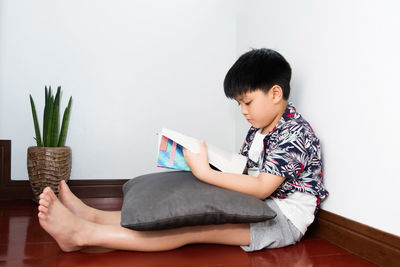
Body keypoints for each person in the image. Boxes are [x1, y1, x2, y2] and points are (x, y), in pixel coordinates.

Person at [37, 48, 328, 252]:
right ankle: (94, 216)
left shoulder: (295, 132)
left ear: (275, 94)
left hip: (281, 221)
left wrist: (206, 173)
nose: (242, 111)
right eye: (238, 104)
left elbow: (263, 187)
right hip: (259, 207)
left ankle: (83, 235)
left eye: (247, 103)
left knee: (189, 228)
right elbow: (245, 170)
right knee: (185, 202)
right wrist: (209, 163)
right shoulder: (259, 129)